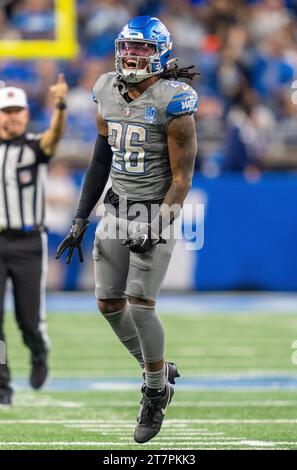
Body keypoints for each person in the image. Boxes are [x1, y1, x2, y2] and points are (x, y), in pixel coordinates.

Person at [56, 15, 198, 443]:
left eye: (143, 49)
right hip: (115, 210)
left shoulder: (175, 102)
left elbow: (182, 178)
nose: (134, 57)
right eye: (129, 48)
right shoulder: (105, 89)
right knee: (107, 305)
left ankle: (154, 392)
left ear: (161, 54)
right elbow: (101, 158)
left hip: (155, 209)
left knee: (140, 304)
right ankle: (158, 369)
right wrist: (81, 216)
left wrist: (158, 224)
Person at [0, 74, 68, 405]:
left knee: (28, 320)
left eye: (17, 111)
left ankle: (38, 352)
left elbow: (54, 137)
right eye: (5, 110)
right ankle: (2, 385)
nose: (12, 116)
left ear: (26, 114)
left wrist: (60, 105)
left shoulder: (33, 147)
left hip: (27, 244)